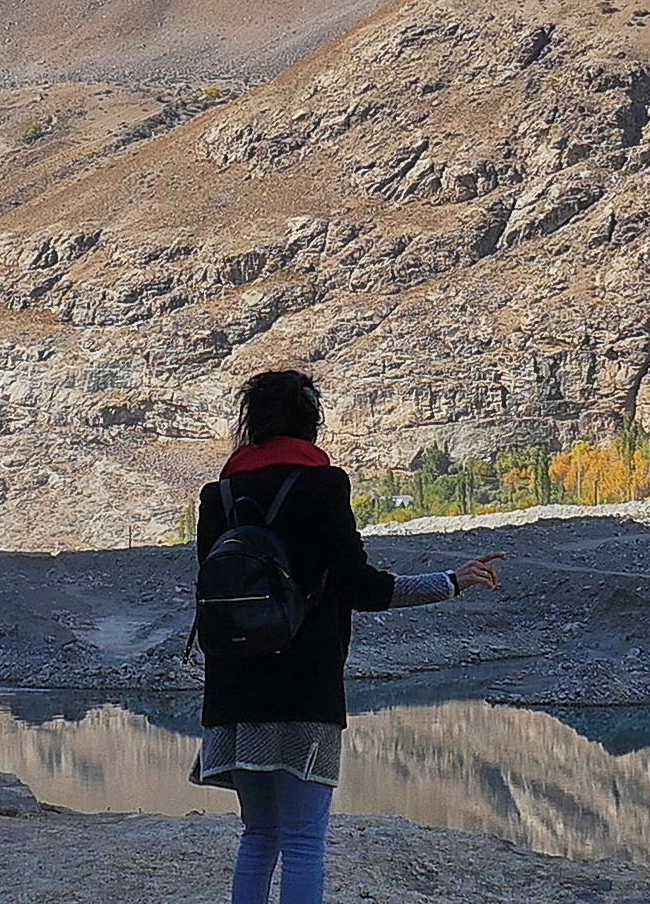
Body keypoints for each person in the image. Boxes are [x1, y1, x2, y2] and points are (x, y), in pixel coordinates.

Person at [191, 369, 504, 904]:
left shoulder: (217, 494)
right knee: (305, 840)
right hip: (304, 682)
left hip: (233, 684)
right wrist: (450, 582)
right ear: (311, 419)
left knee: (258, 835)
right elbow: (361, 585)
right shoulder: (321, 485)